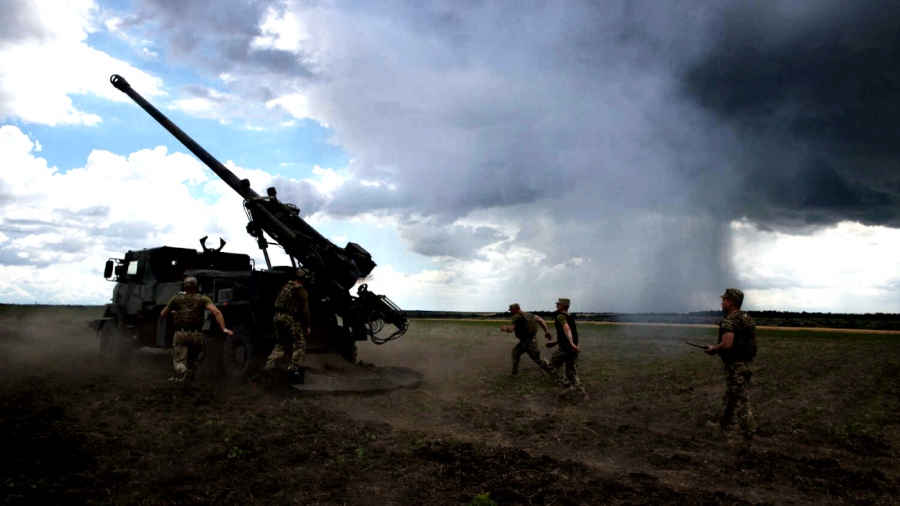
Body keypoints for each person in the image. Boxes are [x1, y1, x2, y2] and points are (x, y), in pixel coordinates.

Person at [704, 288, 758, 448]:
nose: (722, 302)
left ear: (731, 302)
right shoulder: (747, 318)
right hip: (746, 364)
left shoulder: (729, 320)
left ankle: (747, 438)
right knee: (731, 398)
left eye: (724, 300)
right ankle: (721, 428)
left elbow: (727, 344)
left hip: (736, 366)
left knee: (741, 400)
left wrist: (714, 349)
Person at [159, 276, 233, 383]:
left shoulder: (176, 299)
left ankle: (183, 373)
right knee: (192, 361)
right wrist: (224, 329)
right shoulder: (203, 299)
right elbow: (217, 312)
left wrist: (175, 312)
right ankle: (188, 383)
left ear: (184, 287)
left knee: (180, 361)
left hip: (181, 334)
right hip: (197, 335)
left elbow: (162, 314)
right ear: (196, 287)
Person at [264, 268, 312, 381]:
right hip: (289, 319)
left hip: (277, 317)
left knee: (281, 344)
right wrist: (307, 326)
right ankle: (294, 370)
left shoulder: (286, 286)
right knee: (300, 344)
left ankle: (269, 365)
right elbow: (305, 311)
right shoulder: (301, 291)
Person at [499, 303, 560, 381]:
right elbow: (540, 320)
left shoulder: (516, 316)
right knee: (515, 353)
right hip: (528, 341)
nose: (510, 311)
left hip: (529, 343)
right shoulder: (530, 315)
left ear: (516, 309)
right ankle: (514, 374)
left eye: (511, 310)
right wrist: (546, 331)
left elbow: (510, 330)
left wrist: (504, 328)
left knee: (540, 361)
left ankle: (559, 377)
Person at [546, 298, 587, 399]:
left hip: (566, 347)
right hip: (572, 348)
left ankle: (568, 386)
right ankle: (583, 394)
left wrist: (571, 343)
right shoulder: (570, 316)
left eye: (558, 304)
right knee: (571, 372)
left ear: (563, 305)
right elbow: (568, 333)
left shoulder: (560, 316)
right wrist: (556, 342)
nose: (556, 305)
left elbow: (566, 329)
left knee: (551, 367)